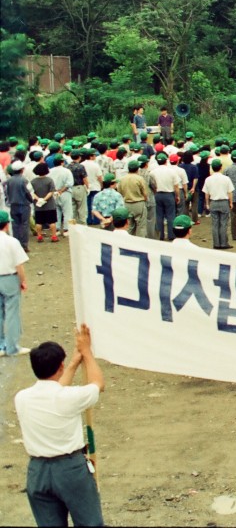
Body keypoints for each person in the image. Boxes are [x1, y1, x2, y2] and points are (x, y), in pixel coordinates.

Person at [14, 325, 105, 526]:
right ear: (59, 367)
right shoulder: (68, 398)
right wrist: (87, 353)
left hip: (37, 472)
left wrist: (72, 364)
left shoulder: (22, 398)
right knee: (90, 524)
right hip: (70, 469)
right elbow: (98, 383)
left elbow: (54, 389)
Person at [0, 210, 30, 357]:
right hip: (9, 277)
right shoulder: (12, 242)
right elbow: (19, 265)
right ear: (6, 225)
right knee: (12, 313)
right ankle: (12, 347)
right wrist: (22, 281)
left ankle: (0, 345)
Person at [203, 158, 234, 249]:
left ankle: (216, 243)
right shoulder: (226, 179)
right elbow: (230, 192)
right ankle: (224, 243)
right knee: (224, 223)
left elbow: (206, 193)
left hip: (213, 202)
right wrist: (231, 202)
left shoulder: (208, 179)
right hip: (224, 202)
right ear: (221, 167)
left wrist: (207, 203)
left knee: (215, 224)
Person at [117, 160, 149, 236]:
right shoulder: (140, 178)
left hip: (127, 203)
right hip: (138, 203)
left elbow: (120, 192)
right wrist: (145, 199)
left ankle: (128, 242)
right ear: (137, 169)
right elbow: (145, 193)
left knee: (129, 225)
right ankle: (139, 244)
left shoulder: (122, 179)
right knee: (141, 226)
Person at [30, 163, 60, 243]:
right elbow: (51, 191)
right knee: (52, 221)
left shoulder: (33, 181)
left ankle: (39, 236)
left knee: (39, 222)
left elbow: (32, 192)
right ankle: (54, 236)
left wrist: (39, 199)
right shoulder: (49, 180)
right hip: (49, 204)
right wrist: (44, 199)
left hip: (38, 205)